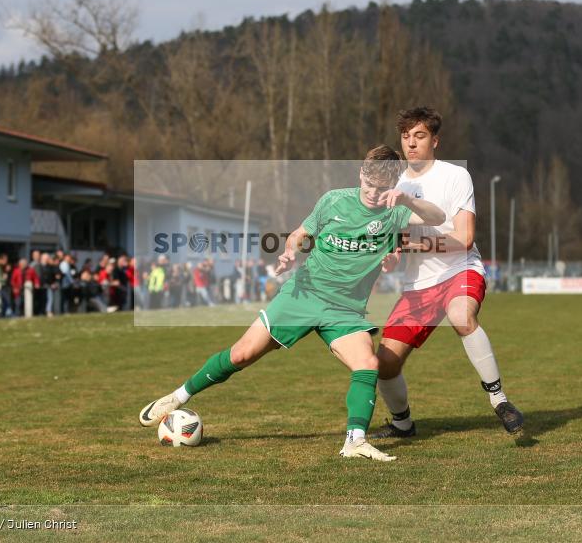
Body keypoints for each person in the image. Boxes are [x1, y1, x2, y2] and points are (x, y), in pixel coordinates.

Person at [139, 145, 446, 461]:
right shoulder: (334, 201)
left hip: (344, 308)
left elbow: (439, 216)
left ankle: (355, 441)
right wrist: (289, 252)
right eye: (369, 185)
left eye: (382, 189)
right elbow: (299, 234)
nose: (373, 193)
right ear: (360, 175)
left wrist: (406, 202)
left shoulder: (396, 210)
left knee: (368, 364)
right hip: (304, 294)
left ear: (393, 187)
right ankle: (177, 397)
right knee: (241, 354)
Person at [370, 107, 524, 441]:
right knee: (384, 364)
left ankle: (499, 400)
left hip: (459, 270)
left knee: (461, 315)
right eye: (406, 136)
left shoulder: (455, 176)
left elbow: (464, 238)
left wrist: (418, 246)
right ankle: (402, 424)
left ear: (435, 141)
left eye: (420, 135)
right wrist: (393, 255)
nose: (411, 143)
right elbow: (395, 241)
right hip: (417, 288)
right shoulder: (393, 184)